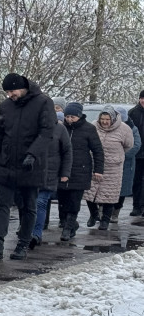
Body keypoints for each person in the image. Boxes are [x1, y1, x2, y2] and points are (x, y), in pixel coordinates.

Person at [0, 73, 56, 260]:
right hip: (7, 163)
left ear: (23, 88)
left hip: (31, 165)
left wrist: (33, 154)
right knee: (2, 203)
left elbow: (47, 132)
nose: (10, 95)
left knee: (28, 205)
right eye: (7, 92)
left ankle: (23, 244)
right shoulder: (6, 106)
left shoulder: (43, 102)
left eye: (12, 91)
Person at [83, 106, 134, 231]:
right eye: (102, 119)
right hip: (95, 163)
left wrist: (116, 156)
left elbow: (128, 145)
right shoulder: (93, 126)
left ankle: (105, 219)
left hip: (113, 166)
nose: (104, 122)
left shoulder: (124, 129)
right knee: (89, 192)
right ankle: (94, 214)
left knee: (109, 194)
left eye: (107, 119)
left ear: (113, 119)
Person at [58, 102, 104, 240]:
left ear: (79, 116)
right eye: (67, 116)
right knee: (62, 200)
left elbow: (97, 150)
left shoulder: (89, 129)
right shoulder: (61, 128)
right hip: (62, 169)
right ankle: (70, 224)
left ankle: (67, 228)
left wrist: (98, 170)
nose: (69, 119)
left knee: (74, 200)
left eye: (72, 117)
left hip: (81, 169)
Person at [31, 111, 71, 247]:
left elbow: (67, 151)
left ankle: (36, 234)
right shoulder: (32, 126)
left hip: (50, 172)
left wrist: (65, 173)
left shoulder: (60, 129)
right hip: (31, 171)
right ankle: (27, 231)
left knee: (41, 202)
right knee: (28, 204)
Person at [112, 106, 140, 220]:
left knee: (122, 188)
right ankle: (103, 210)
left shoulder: (133, 129)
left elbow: (136, 145)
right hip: (110, 162)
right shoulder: (110, 127)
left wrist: (122, 155)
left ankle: (115, 212)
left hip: (126, 163)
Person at [127, 90, 144, 215]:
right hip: (137, 152)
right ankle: (136, 206)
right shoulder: (133, 112)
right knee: (136, 180)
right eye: (142, 98)